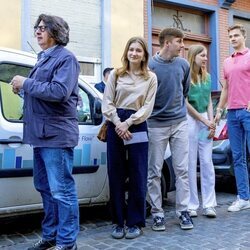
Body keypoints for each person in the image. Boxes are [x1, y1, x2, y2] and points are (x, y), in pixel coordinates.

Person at [11, 14, 79, 250]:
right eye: (36, 28)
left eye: (43, 28)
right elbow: (43, 95)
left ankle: (67, 243)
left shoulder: (66, 58)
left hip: (56, 136)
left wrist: (26, 84)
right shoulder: (43, 58)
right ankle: (51, 236)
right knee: (46, 189)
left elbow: (59, 91)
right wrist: (21, 90)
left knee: (62, 192)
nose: (38, 31)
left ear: (56, 32)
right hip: (40, 136)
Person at [102, 36, 157, 239]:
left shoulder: (151, 78)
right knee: (116, 173)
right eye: (131, 49)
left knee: (138, 173)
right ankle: (118, 221)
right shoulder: (116, 74)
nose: (134, 53)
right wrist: (118, 123)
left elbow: (147, 106)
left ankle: (135, 222)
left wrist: (129, 122)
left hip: (137, 124)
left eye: (138, 50)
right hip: (116, 124)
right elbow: (107, 102)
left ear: (144, 55)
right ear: (126, 52)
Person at [147, 27, 193, 231]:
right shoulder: (149, 66)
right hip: (155, 125)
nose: (183, 45)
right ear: (167, 43)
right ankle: (157, 213)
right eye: (179, 41)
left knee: (182, 170)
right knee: (154, 171)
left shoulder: (183, 64)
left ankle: (183, 211)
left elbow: (185, 91)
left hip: (180, 123)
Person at [215, 24, 250, 212]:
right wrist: (220, 109)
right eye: (230, 36)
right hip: (232, 113)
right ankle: (244, 197)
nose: (233, 39)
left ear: (243, 36)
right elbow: (226, 88)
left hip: (248, 112)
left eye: (236, 35)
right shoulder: (227, 61)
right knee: (238, 157)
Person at [186, 44, 217, 218]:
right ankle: (192, 204)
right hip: (191, 120)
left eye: (206, 55)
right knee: (190, 162)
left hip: (205, 119)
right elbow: (185, 103)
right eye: (202, 55)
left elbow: (209, 101)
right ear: (194, 56)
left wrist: (211, 122)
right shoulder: (186, 77)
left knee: (206, 162)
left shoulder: (208, 77)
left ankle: (209, 204)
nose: (205, 58)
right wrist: (204, 120)